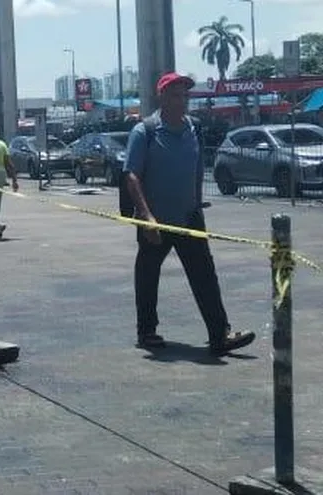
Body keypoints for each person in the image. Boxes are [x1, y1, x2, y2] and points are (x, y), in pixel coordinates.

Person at [123, 72, 255, 355]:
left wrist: (196, 202)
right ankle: (147, 332)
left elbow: (195, 169)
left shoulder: (193, 129)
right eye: (175, 95)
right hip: (154, 218)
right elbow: (132, 175)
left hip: (189, 216)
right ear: (162, 97)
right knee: (147, 275)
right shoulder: (145, 131)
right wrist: (146, 216)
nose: (182, 101)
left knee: (205, 274)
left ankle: (220, 334)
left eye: (185, 95)